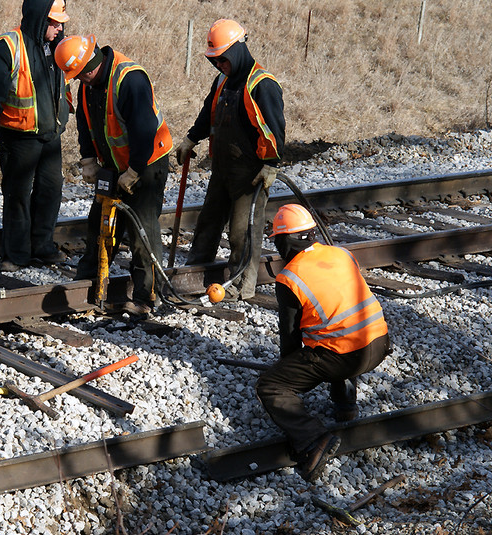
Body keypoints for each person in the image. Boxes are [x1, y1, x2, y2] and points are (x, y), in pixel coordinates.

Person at [256, 204, 391, 481]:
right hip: (379, 343)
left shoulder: (289, 277)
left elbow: (290, 338)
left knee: (271, 385)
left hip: (346, 357)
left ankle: (313, 439)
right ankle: (346, 406)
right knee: (333, 336)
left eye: (278, 241)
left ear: (285, 240)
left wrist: (288, 374)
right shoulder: (342, 253)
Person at [54, 34, 173, 317]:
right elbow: (85, 122)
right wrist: (87, 159)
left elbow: (144, 130)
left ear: (91, 66)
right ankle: (90, 283)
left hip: (147, 162)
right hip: (113, 164)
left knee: (141, 228)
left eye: (80, 74)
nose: (79, 80)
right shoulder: (88, 84)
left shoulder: (130, 79)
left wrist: (135, 171)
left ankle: (149, 296)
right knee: (99, 221)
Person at [176, 19, 285, 300]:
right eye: (215, 61)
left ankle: (241, 284)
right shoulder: (223, 80)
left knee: (242, 232)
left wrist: (271, 164)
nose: (219, 65)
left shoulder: (262, 85)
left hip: (250, 174)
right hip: (222, 168)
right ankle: (195, 272)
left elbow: (275, 128)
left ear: (236, 51)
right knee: (208, 222)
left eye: (223, 59)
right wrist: (191, 138)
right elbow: (208, 114)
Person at [0, 0, 71, 272]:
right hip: (18, 137)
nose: (60, 27)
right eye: (54, 22)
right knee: (17, 196)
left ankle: (42, 246)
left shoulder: (58, 46)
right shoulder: (8, 46)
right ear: (40, 18)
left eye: (61, 21)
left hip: (51, 136)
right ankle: (15, 254)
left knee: (50, 191)